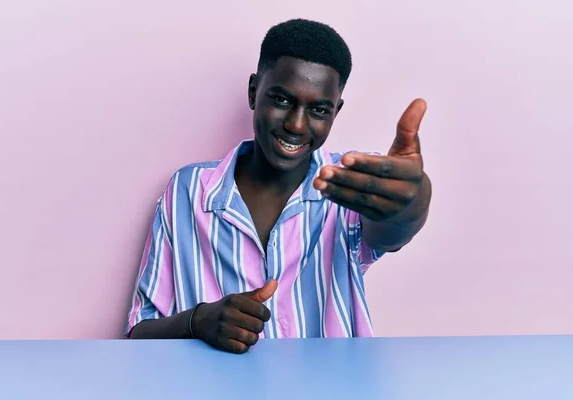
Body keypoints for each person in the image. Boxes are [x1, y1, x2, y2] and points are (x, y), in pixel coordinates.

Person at [125, 18, 432, 354]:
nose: (296, 125)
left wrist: (413, 201)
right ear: (254, 91)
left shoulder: (350, 185)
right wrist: (197, 321)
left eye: (318, 109)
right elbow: (139, 334)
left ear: (335, 111)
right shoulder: (188, 191)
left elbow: (392, 229)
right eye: (282, 100)